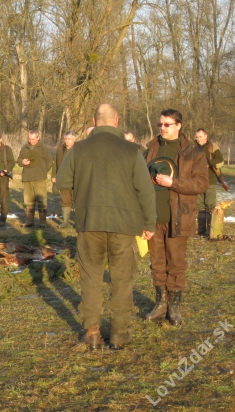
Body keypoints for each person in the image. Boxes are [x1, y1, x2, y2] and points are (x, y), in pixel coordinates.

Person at [56, 104, 156, 350]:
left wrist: (78, 195)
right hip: (124, 226)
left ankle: (91, 332)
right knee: (122, 279)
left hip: (90, 223)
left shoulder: (78, 149)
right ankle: (120, 334)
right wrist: (149, 223)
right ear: (117, 121)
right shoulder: (132, 150)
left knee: (91, 277)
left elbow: (63, 181)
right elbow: (145, 190)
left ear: (94, 120)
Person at [144, 110, 208, 326]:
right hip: (154, 216)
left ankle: (174, 306)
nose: (162, 128)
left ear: (179, 126)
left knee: (177, 264)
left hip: (179, 217)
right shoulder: (150, 149)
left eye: (167, 124)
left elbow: (201, 184)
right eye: (160, 124)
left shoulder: (193, 152)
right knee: (157, 263)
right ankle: (160, 303)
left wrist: (174, 183)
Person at [17, 130, 52, 227]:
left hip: (39, 178)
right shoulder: (25, 147)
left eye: (33, 139)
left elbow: (49, 162)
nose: (31, 141)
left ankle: (42, 222)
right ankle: (30, 221)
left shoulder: (43, 148)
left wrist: (43, 172)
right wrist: (22, 161)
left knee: (41, 201)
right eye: (29, 139)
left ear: (38, 138)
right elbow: (19, 159)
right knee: (29, 201)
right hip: (27, 177)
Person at [194, 128, 225, 237]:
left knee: (210, 205)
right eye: (197, 137)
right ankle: (201, 229)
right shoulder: (193, 147)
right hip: (197, 181)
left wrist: (208, 163)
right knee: (199, 206)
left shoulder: (213, 147)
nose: (198, 139)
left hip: (210, 181)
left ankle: (209, 230)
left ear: (206, 136)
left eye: (200, 137)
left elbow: (220, 160)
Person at [52, 130, 76, 228]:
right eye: (66, 139)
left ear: (74, 139)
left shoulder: (79, 149)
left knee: (77, 200)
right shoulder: (60, 149)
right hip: (63, 179)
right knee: (65, 200)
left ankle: (78, 222)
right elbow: (55, 164)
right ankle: (65, 222)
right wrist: (54, 176)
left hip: (75, 179)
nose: (67, 141)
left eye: (69, 139)